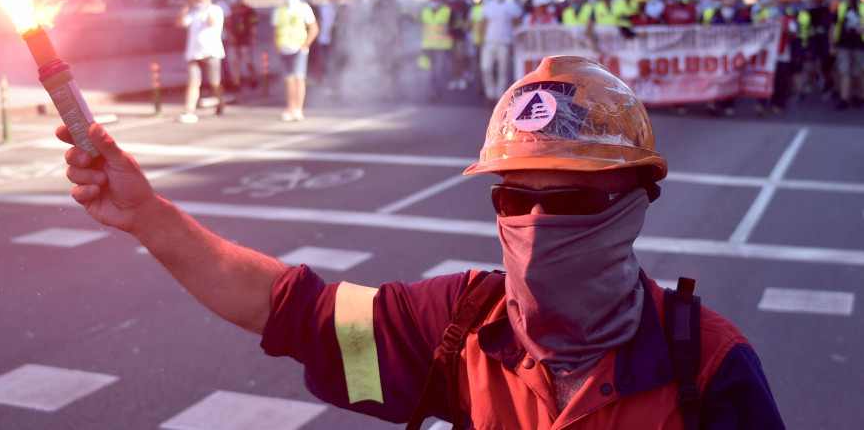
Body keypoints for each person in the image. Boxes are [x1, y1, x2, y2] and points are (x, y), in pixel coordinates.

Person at [58, 55, 784, 429]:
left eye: (567, 200)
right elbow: (285, 309)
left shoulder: (709, 369)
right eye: (513, 198)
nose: (534, 224)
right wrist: (147, 215)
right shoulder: (462, 328)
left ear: (632, 207)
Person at [177, 0, 225, 123]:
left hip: (212, 52)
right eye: (198, 0)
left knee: (215, 82)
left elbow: (212, 23)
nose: (199, 3)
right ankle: (190, 110)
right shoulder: (193, 13)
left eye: (202, 0)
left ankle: (221, 104)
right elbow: (180, 23)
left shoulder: (216, 10)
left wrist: (207, 7)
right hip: (194, 53)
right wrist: (186, 7)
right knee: (193, 82)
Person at [272, 0, 318, 121]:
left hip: (299, 48)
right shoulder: (280, 10)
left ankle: (299, 108)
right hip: (284, 47)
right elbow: (275, 30)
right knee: (289, 79)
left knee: (299, 77)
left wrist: (306, 44)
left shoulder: (304, 8)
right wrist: (277, 45)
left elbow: (314, 28)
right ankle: (291, 107)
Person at [479, 0, 523, 105]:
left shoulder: (511, 6)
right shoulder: (489, 6)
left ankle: (499, 96)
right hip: (489, 42)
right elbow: (483, 23)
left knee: (503, 70)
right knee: (486, 68)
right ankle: (490, 93)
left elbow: (518, 21)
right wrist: (480, 38)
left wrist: (515, 37)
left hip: (505, 43)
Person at [831, 0, 864, 109]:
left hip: (859, 45)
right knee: (844, 71)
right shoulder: (842, 8)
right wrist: (833, 43)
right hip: (843, 45)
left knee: (857, 72)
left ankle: (857, 95)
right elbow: (834, 26)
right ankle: (844, 98)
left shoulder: (862, 8)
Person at [420, 0, 453, 102]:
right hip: (428, 46)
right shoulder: (424, 11)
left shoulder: (447, 11)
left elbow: (452, 27)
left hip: (442, 47)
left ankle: (436, 92)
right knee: (430, 71)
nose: (434, 1)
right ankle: (432, 90)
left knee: (439, 70)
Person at [226, 0, 259, 91]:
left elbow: (254, 25)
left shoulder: (248, 10)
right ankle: (236, 83)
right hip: (234, 40)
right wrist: (230, 36)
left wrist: (253, 38)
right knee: (235, 62)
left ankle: (254, 77)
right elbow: (227, 24)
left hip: (245, 40)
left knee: (247, 61)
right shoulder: (229, 10)